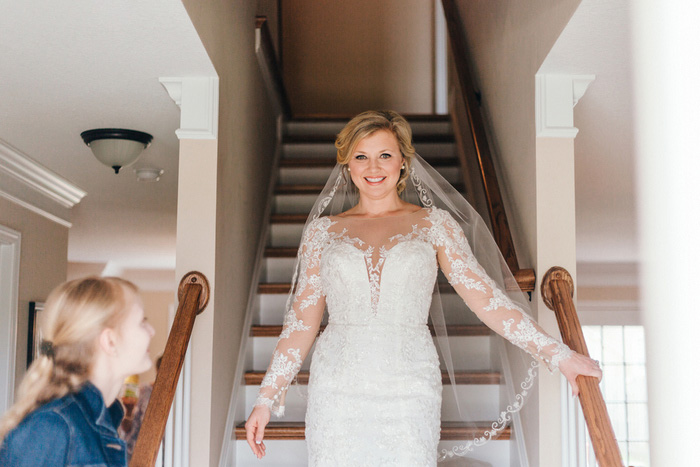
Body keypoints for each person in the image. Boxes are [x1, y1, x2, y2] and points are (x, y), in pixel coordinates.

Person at [245, 110, 602, 465]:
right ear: (347, 165)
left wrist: (559, 355)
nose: (374, 167)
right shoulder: (322, 232)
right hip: (337, 385)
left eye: (385, 155)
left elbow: (485, 298)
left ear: (403, 161)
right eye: (361, 156)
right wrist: (265, 398)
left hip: (409, 382)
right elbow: (302, 323)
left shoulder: (434, 224)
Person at [0, 277, 155, 466]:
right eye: (142, 322)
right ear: (110, 341)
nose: (152, 331)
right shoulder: (53, 427)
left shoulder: (103, 422)